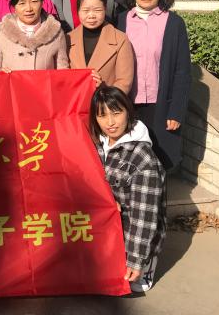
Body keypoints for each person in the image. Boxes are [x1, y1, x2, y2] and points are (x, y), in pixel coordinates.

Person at [89, 84, 166, 293]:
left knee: (131, 286)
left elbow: (144, 214)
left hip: (133, 234)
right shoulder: (96, 144)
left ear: (128, 112)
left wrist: (136, 260)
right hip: (105, 231)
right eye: (102, 115)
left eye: (116, 113)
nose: (110, 122)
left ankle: (144, 264)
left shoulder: (142, 157)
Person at [117, 0, 191, 170]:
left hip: (161, 105)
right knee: (127, 161)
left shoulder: (174, 23)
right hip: (127, 103)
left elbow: (182, 71)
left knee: (159, 161)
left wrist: (176, 111)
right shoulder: (121, 20)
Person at [67, 0, 134, 94]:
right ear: (78, 11)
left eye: (97, 10)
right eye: (86, 10)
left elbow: (124, 82)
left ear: (105, 9)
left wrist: (103, 88)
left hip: (106, 102)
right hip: (75, 101)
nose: (91, 15)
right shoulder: (67, 39)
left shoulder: (120, 39)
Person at [0, 0, 68, 72]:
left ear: (42, 3)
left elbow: (63, 71)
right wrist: (1, 74)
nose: (29, 9)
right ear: (14, 7)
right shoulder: (2, 33)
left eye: (34, 1)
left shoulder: (56, 33)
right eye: (22, 3)